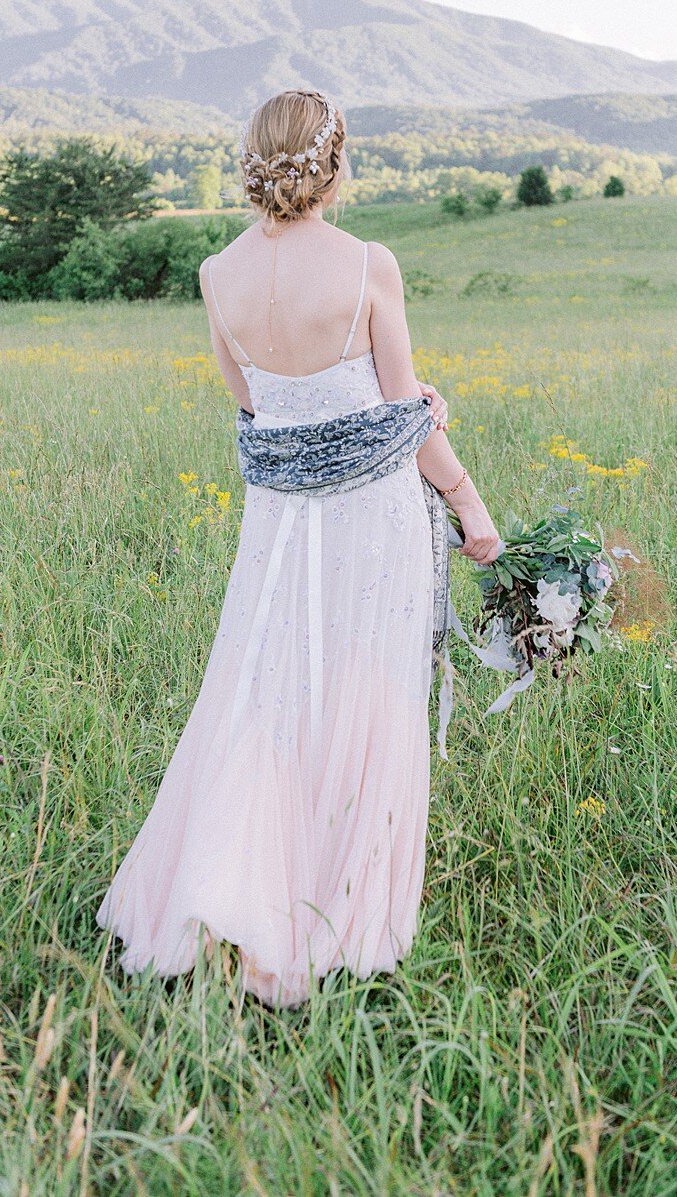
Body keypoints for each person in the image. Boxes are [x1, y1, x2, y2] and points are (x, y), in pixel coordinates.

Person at [96, 89, 500, 1008]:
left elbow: (255, 407)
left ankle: (230, 879)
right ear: (336, 159)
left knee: (265, 688)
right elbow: (399, 416)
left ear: (253, 161)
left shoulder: (215, 272)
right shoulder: (367, 264)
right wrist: (471, 506)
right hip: (370, 517)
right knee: (363, 690)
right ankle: (338, 908)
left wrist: (374, 409)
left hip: (277, 523)